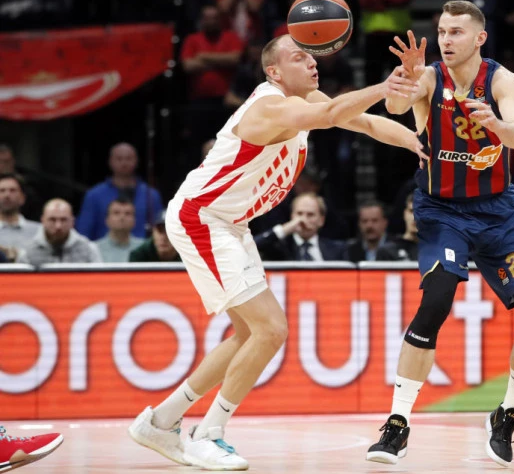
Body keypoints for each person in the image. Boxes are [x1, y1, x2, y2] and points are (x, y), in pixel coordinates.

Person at [128, 34, 424, 471]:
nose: (312, 62)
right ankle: (208, 433)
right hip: (202, 218)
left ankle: (161, 421)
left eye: (312, 56)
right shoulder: (269, 107)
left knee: (249, 334)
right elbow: (330, 115)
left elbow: (365, 123)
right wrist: (385, 86)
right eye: (299, 57)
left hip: (230, 223)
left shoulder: (305, 102)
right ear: (274, 71)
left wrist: (421, 145)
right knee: (271, 329)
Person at [366, 0, 514, 467]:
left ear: (479, 38)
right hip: (442, 210)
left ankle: (507, 413)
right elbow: (394, 106)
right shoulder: (430, 78)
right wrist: (407, 77)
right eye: (441, 31)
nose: (446, 40)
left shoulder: (503, 81)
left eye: (455, 32)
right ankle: (397, 424)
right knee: (436, 299)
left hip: (498, 213)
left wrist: (496, 124)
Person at [253, 192, 348, 261]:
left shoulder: (338, 249)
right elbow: (253, 247)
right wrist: (285, 228)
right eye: (299, 214)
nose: (303, 219)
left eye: (310, 215)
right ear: (292, 216)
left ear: (321, 220)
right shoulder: (280, 248)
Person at [95, 198, 144, 263]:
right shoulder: (94, 249)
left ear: (134, 221)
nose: (122, 217)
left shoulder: (143, 249)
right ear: (107, 220)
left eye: (127, 213)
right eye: (116, 213)